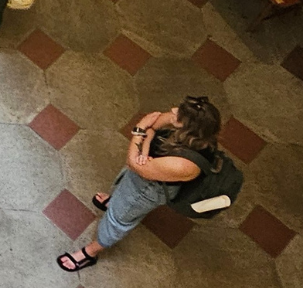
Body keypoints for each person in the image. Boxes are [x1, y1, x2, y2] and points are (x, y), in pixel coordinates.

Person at [58, 97, 223, 272]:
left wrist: (139, 130)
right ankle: (115, 202)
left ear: (187, 127)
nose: (173, 110)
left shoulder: (183, 166)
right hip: (146, 175)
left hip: (147, 190)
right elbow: (153, 129)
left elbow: (134, 162)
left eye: (179, 114)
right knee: (124, 189)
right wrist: (144, 146)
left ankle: (91, 252)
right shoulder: (201, 132)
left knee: (118, 219)